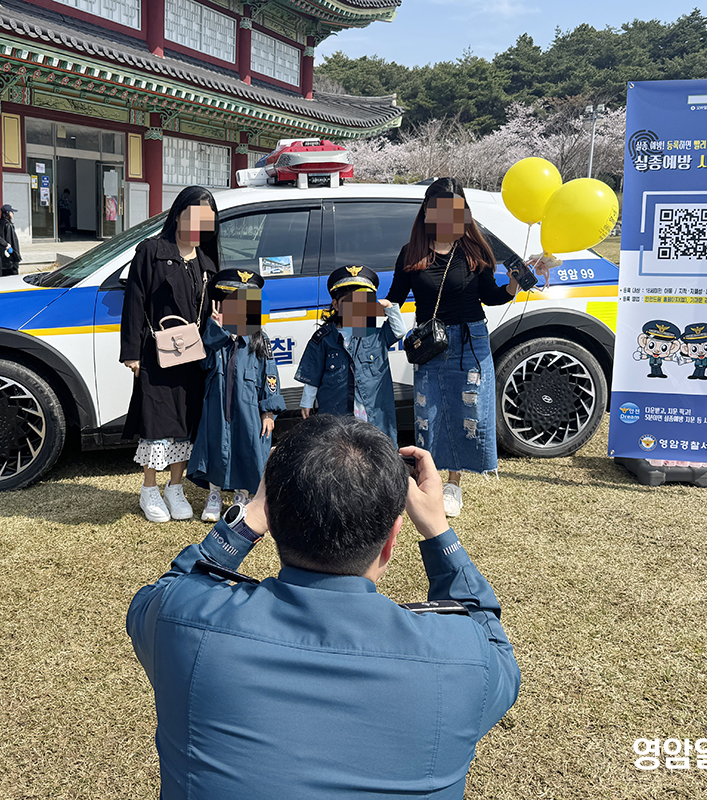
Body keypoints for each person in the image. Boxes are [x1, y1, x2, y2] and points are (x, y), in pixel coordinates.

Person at [127, 415, 521, 800]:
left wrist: (247, 520)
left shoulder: (181, 623)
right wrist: (438, 530)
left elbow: (166, 591)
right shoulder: (467, 661)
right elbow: (490, 636)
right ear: (391, 540)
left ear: (271, 521)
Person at [385, 177, 538, 518]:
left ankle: (454, 484)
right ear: (427, 212)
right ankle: (429, 478)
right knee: (428, 413)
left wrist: (513, 284)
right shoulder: (411, 253)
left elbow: (491, 296)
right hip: (431, 344)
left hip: (471, 341)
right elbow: (394, 298)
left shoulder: (473, 251)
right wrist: (365, 305)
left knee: (467, 412)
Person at [120, 186, 219, 522]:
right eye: (194, 216)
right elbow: (134, 302)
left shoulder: (207, 262)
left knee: (185, 423)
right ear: (178, 215)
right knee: (155, 421)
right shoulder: (151, 251)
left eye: (207, 220)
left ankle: (175, 487)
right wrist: (131, 353)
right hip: (156, 354)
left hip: (193, 355)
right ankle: (149, 489)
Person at [188, 268, 286, 522]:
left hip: (249, 409)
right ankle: (214, 495)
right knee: (215, 448)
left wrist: (268, 411)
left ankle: (242, 495)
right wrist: (215, 330)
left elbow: (270, 375)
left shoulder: (259, 339)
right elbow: (203, 364)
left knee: (247, 448)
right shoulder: (214, 339)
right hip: (217, 408)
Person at [296, 265, 406, 443]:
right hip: (337, 412)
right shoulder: (324, 339)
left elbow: (399, 331)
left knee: (376, 448)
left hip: (372, 414)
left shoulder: (376, 336)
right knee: (338, 449)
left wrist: (389, 307)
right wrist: (307, 402)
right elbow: (312, 375)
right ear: (336, 305)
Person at [0, 204, 22, 276]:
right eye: (12, 212)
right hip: (10, 260)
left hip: (2, 259)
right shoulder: (8, 225)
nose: (13, 214)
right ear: (7, 213)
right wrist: (16, 256)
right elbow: (12, 241)